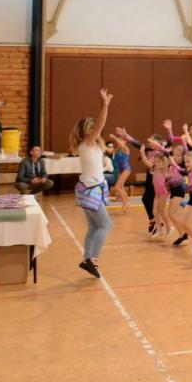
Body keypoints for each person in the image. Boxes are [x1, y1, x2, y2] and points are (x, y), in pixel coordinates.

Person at [69, 89, 114, 279]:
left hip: (89, 189)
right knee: (106, 225)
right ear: (89, 131)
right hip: (90, 190)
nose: (98, 129)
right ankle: (92, 259)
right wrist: (105, 105)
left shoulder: (92, 145)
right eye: (94, 127)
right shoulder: (87, 143)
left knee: (94, 227)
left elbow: (100, 128)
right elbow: (101, 124)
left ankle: (86, 258)